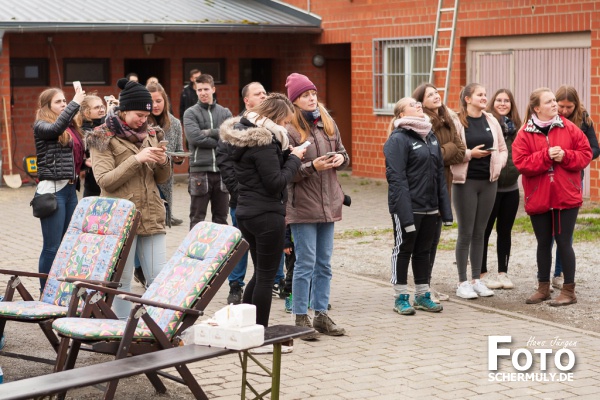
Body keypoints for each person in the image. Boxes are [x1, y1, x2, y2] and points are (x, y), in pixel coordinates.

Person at [87, 78, 171, 319]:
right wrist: (137, 159)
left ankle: (160, 328)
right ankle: (121, 330)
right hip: (121, 217)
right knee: (122, 280)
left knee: (158, 277)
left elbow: (161, 178)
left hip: (151, 213)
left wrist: (162, 161)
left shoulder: (152, 133)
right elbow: (105, 180)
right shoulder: (102, 136)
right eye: (138, 115)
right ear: (123, 110)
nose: (143, 120)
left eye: (146, 116)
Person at [219, 93, 305, 329]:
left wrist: (286, 155)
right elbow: (275, 182)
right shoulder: (265, 141)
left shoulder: (245, 137)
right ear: (275, 117)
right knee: (266, 277)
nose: (287, 126)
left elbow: (262, 169)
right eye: (286, 121)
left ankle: (246, 326)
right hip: (266, 215)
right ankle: (260, 331)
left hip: (247, 212)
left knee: (259, 274)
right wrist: (295, 160)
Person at [513, 87, 592, 306]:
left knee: (564, 242)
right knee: (543, 243)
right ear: (536, 108)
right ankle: (543, 288)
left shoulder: (570, 128)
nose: (554, 105)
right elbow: (521, 163)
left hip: (566, 196)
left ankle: (569, 291)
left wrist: (565, 155)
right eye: (548, 102)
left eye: (554, 101)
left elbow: (585, 154)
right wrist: (546, 156)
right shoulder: (524, 133)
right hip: (539, 197)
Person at [285, 73, 349, 339]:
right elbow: (286, 170)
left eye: (312, 93)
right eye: (304, 96)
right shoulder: (289, 129)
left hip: (329, 203)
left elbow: (344, 154)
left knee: (324, 263)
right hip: (303, 206)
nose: (311, 98)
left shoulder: (328, 122)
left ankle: (321, 315)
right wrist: (313, 166)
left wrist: (338, 160)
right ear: (295, 101)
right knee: (305, 263)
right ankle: (301, 317)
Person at [383, 97, 453, 315]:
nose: (418, 105)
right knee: (403, 250)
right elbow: (397, 179)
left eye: (418, 104)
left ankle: (422, 295)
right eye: (412, 104)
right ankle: (400, 298)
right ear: (402, 114)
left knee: (424, 251)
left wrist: (445, 210)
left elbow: (440, 176)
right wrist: (404, 214)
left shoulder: (430, 137)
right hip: (408, 207)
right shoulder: (398, 139)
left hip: (430, 207)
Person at [450, 83, 508, 299]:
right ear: (467, 98)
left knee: (480, 232)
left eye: (485, 94)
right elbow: (453, 152)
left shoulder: (491, 120)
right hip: (466, 182)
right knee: (465, 232)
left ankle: (477, 280)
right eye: (480, 95)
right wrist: (469, 155)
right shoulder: (457, 122)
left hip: (489, 182)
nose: (485, 98)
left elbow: (502, 148)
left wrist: (499, 163)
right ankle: (462, 282)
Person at [412, 83, 466, 303]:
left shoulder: (447, 118)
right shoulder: (422, 122)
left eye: (436, 92)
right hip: (426, 188)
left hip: (444, 185)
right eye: (430, 94)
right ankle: (421, 287)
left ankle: (428, 285)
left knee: (434, 241)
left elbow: (461, 151)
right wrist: (446, 151)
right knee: (423, 243)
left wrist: (444, 152)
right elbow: (429, 155)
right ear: (421, 101)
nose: (436, 96)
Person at [217, 82, 266, 304]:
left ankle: (271, 281)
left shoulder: (270, 126)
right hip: (242, 200)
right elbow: (225, 163)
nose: (264, 97)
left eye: (265, 93)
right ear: (247, 100)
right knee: (241, 244)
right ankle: (236, 286)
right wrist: (239, 191)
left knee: (266, 245)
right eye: (258, 94)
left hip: (267, 200)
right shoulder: (235, 128)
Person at [33, 87, 86, 289]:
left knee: (66, 246)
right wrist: (75, 102)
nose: (64, 104)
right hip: (53, 192)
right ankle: (44, 290)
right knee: (52, 247)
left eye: (65, 101)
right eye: (59, 102)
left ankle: (60, 289)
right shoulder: (42, 126)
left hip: (71, 190)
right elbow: (55, 129)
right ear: (47, 106)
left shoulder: (69, 127)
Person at [551, 85, 600, 289]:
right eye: (560, 106)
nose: (564, 111)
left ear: (576, 104)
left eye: (568, 107)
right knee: (548, 229)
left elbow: (595, 148)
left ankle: (559, 272)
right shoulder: (548, 117)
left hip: (572, 178)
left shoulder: (584, 119)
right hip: (549, 178)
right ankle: (543, 275)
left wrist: (574, 156)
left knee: (565, 230)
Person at [480, 89, 523, 290]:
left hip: (511, 189)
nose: (503, 103)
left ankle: (503, 273)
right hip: (490, 188)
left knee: (504, 232)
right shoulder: (486, 124)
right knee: (484, 231)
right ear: (492, 103)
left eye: (507, 100)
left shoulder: (518, 128)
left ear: (511, 104)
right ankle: (481, 273)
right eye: (499, 100)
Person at [184, 74, 232, 230]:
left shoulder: (225, 113)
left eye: (206, 89)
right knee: (197, 219)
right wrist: (219, 139)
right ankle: (195, 252)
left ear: (213, 89)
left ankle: (221, 254)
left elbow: (231, 137)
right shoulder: (190, 113)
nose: (203, 93)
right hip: (199, 172)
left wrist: (209, 132)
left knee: (221, 219)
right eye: (199, 90)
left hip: (222, 171)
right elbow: (195, 138)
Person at [147, 82, 185, 226]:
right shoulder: (141, 122)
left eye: (159, 101)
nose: (155, 105)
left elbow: (179, 149)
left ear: (165, 101)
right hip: (145, 177)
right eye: (151, 101)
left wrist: (179, 157)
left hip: (165, 179)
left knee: (161, 220)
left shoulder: (174, 123)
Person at [78, 94, 106, 197]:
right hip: (93, 185)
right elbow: (99, 140)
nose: (102, 109)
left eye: (102, 106)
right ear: (86, 113)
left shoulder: (105, 123)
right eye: (96, 107)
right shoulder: (83, 130)